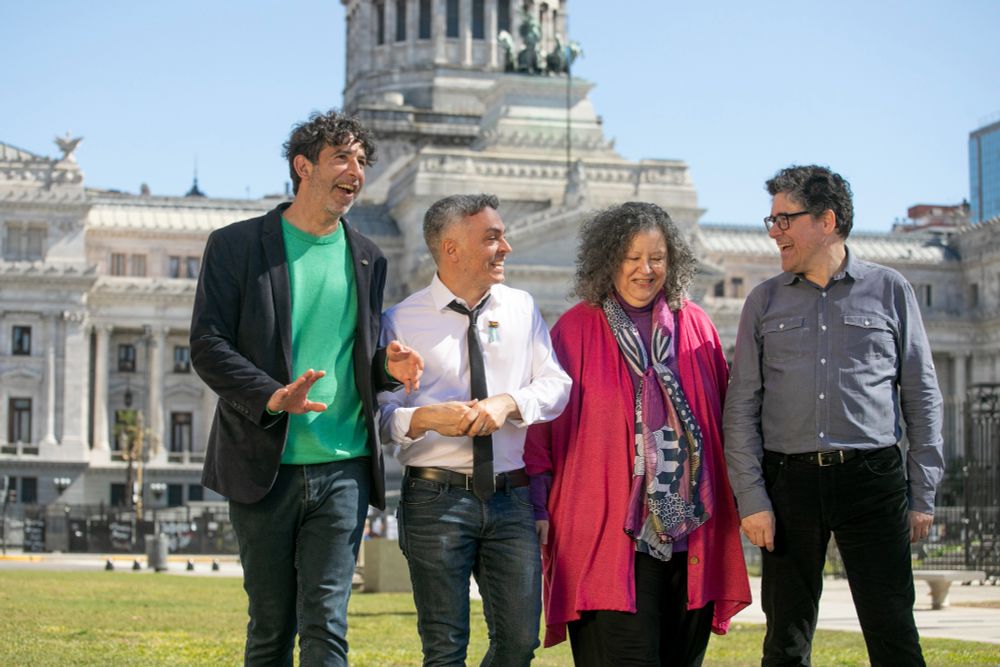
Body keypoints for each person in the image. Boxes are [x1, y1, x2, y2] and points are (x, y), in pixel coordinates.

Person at [190, 109, 423, 666]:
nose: (356, 171)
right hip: (264, 465)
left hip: (344, 465)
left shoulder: (369, 255)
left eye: (362, 161)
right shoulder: (235, 246)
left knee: (327, 624)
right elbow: (208, 345)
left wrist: (387, 370)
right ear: (303, 166)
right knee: (271, 627)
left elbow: (355, 360)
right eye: (342, 157)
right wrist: (273, 396)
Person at [723, 165, 945, 666]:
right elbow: (741, 407)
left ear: (827, 221)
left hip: (873, 480)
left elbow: (922, 394)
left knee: (893, 632)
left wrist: (923, 490)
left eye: (785, 219)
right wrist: (752, 498)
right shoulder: (763, 301)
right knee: (785, 641)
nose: (774, 231)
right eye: (771, 220)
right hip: (788, 482)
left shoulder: (891, 289)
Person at [524, 202, 751, 666]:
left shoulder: (697, 327)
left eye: (657, 257)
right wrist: (535, 503)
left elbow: (729, 422)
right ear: (609, 260)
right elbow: (540, 434)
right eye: (632, 257)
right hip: (606, 537)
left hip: (691, 535)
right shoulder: (574, 330)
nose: (646, 270)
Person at [378, 193, 571, 666]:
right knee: (444, 650)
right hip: (434, 500)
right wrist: (426, 418)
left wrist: (511, 402)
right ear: (451, 248)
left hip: (511, 497)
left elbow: (556, 384)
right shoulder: (400, 320)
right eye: (492, 237)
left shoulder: (521, 308)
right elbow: (382, 420)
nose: (506, 246)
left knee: (519, 641)